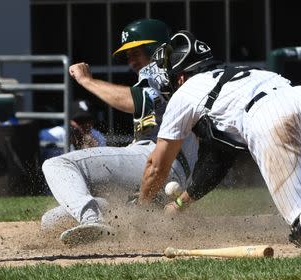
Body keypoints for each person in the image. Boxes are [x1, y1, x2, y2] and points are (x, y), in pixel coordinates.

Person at [138, 30, 301, 248]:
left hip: (267, 116)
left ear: (181, 77)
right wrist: (180, 204)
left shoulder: (185, 93)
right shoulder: (239, 74)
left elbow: (156, 166)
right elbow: (216, 162)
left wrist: (140, 209)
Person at [40, 19, 198, 245]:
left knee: (58, 165)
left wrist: (87, 81)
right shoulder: (176, 75)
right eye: (128, 55)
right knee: (51, 220)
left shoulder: (162, 69)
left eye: (136, 53)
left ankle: (92, 219)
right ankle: (108, 220)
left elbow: (134, 100)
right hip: (166, 170)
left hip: (159, 159)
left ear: (154, 49)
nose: (131, 61)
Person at [39, 99, 107, 160]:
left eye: (88, 120)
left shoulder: (98, 137)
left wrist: (94, 152)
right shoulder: (51, 135)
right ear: (69, 121)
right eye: (79, 120)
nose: (84, 125)